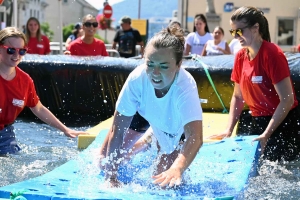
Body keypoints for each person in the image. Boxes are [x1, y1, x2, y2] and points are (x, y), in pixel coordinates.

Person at [99, 27, 203, 188]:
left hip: (173, 123)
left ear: (178, 64)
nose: (155, 72)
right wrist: (111, 177)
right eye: (150, 64)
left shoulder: (185, 87)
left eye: (163, 66)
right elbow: (117, 130)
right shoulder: (137, 79)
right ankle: (149, 137)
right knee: (103, 162)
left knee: (166, 183)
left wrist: (177, 168)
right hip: (143, 112)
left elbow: (195, 137)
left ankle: (150, 138)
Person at [209, 6, 300, 162]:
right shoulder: (240, 56)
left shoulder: (272, 54)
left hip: (283, 122)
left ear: (255, 28)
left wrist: (267, 133)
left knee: (279, 173)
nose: (236, 36)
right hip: (257, 119)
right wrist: (228, 129)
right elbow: (238, 97)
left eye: (239, 31)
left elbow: (287, 99)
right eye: (233, 32)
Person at [0, 27, 87, 155]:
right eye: (11, 50)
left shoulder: (25, 81)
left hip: (5, 135)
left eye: (22, 51)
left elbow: (38, 108)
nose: (16, 55)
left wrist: (65, 129)